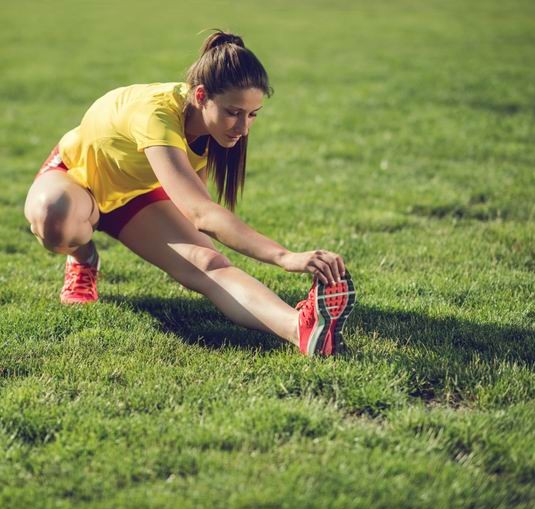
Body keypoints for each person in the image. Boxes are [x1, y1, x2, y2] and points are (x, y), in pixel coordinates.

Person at [23, 30, 356, 357]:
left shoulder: (213, 130)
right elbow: (201, 213)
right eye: (233, 113)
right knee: (56, 217)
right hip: (77, 179)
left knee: (209, 264)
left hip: (136, 194)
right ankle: (83, 259)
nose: (243, 128)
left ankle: (301, 328)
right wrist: (286, 257)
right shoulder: (156, 115)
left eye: (252, 115)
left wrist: (197, 253)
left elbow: (198, 212)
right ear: (200, 96)